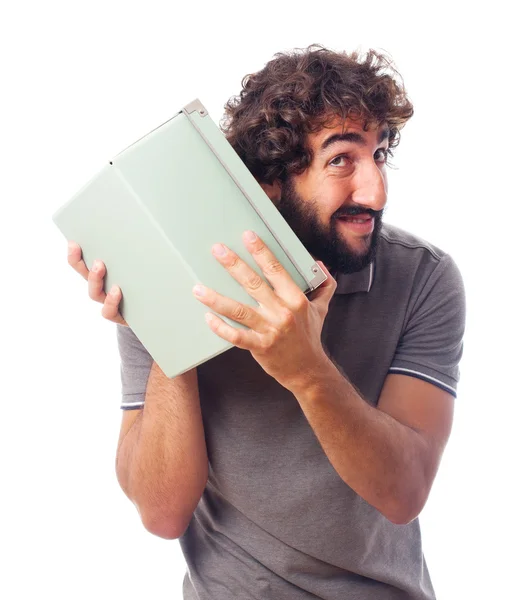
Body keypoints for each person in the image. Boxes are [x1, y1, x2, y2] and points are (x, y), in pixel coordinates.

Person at [67, 45, 465, 600]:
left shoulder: (424, 278)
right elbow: (161, 513)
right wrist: (170, 325)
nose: (375, 190)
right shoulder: (171, 281)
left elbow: (403, 493)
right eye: (342, 159)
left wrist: (306, 371)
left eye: (379, 153)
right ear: (271, 180)